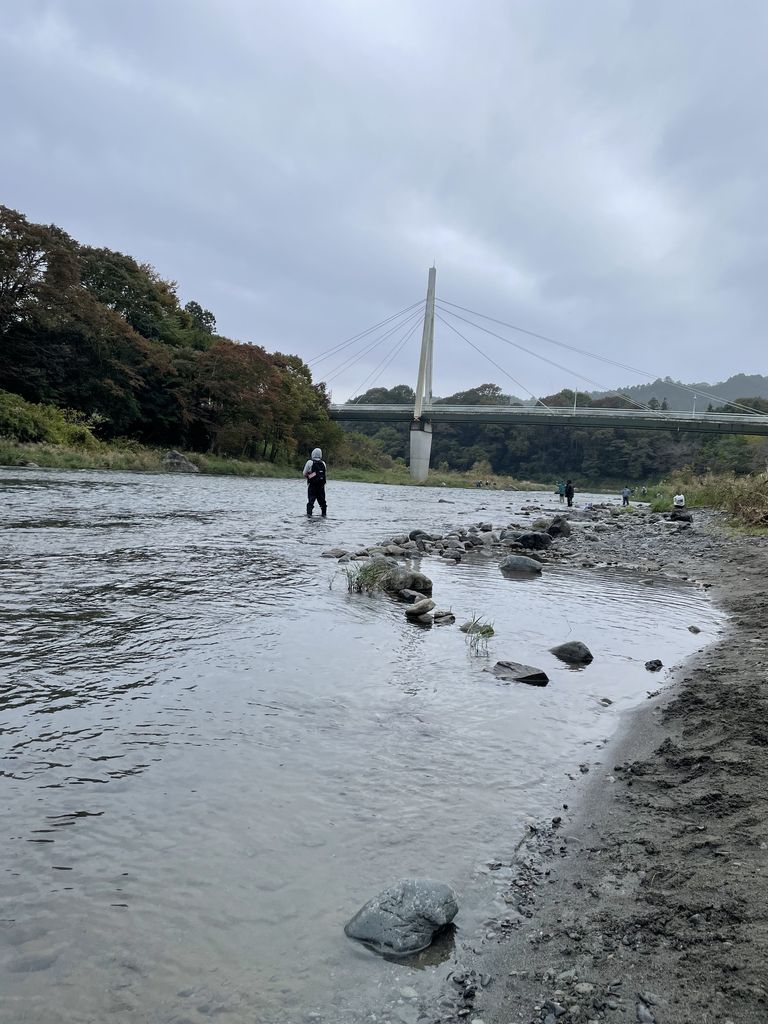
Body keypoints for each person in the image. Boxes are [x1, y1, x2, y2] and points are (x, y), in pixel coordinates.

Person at [303, 447, 327, 517]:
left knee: (311, 502)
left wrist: (311, 475)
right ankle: (324, 515)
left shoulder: (309, 462)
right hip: (321, 486)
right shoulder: (323, 463)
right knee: (322, 503)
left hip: (312, 486)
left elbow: (304, 473)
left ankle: (309, 515)